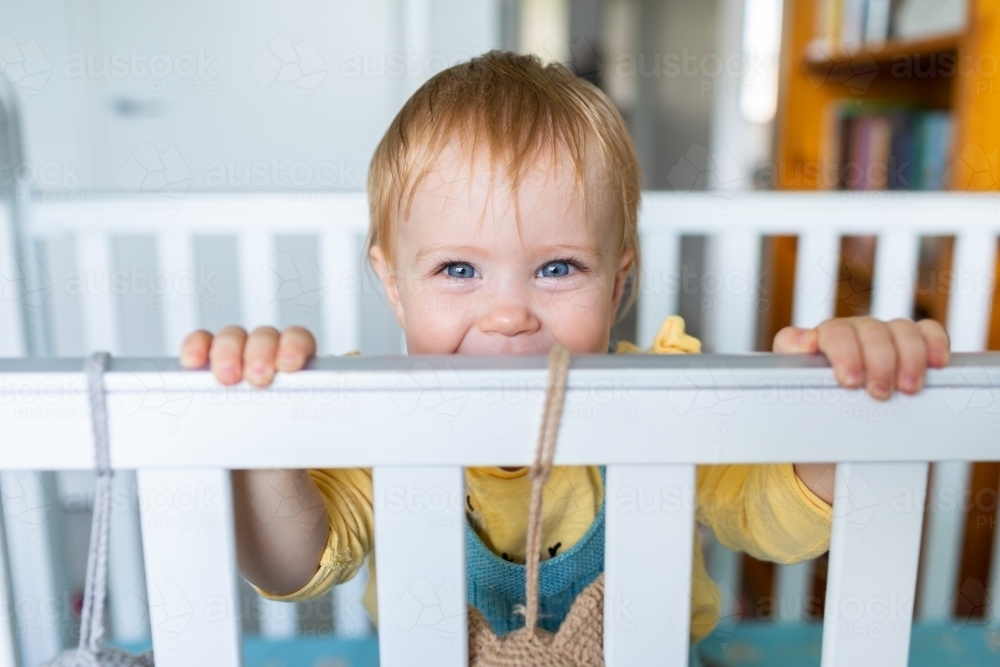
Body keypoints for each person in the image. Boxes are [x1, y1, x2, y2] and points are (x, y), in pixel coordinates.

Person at [179, 51, 950, 642]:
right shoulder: (377, 411)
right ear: (393, 283)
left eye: (557, 267)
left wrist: (840, 401)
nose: (509, 313)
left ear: (618, 284)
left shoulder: (665, 399)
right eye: (457, 268)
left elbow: (770, 515)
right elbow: (294, 566)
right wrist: (261, 431)